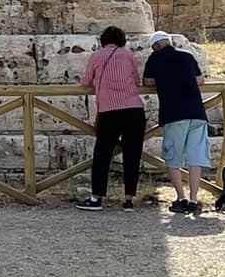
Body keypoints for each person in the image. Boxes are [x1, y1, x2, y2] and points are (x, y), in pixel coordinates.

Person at [141, 30, 213, 214]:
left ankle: (181, 198)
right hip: (197, 112)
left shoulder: (155, 59)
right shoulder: (187, 56)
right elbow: (200, 80)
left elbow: (147, 82)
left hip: (174, 113)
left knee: (173, 158)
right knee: (195, 158)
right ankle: (194, 199)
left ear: (156, 46)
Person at [77, 25, 146, 210]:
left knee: (102, 155)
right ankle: (129, 200)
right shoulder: (128, 55)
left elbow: (86, 82)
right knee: (132, 155)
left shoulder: (97, 56)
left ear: (103, 40)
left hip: (110, 111)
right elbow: (136, 80)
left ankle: (96, 198)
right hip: (134, 110)